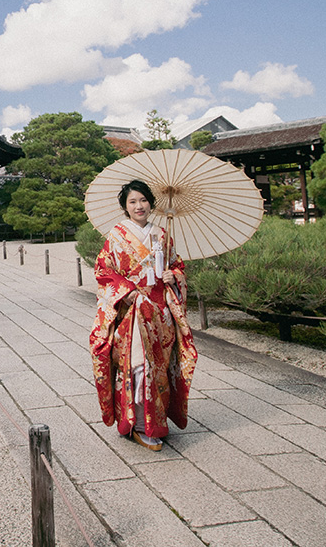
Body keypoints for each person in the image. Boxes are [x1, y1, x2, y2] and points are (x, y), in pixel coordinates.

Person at [89, 179, 196, 451]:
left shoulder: (162, 235)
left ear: (151, 202)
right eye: (132, 202)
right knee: (138, 365)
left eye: (143, 200)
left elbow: (176, 265)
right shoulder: (116, 236)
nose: (139, 206)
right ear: (125, 207)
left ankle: (156, 421)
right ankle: (138, 423)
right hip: (133, 311)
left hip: (161, 311)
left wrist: (175, 275)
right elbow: (104, 272)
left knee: (159, 367)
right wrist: (127, 292)